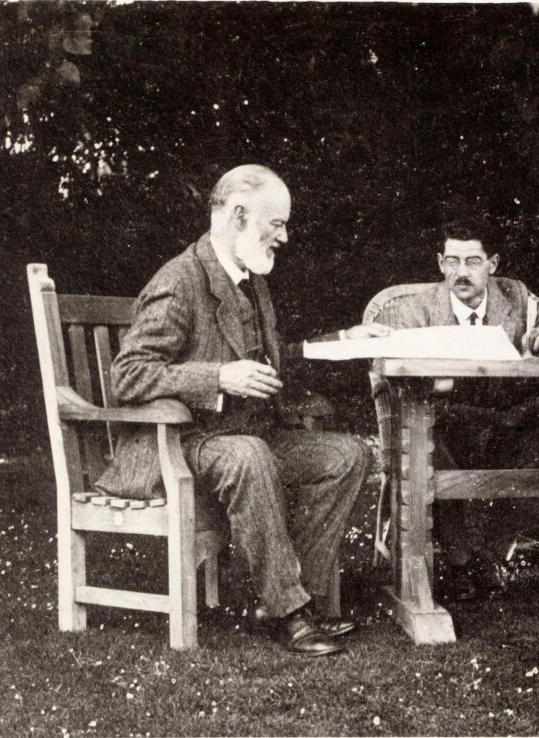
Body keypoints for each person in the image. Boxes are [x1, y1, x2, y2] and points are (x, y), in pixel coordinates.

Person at [94, 164, 391, 656]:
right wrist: (217, 377)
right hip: (183, 442)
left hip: (245, 436)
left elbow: (273, 362)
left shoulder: (250, 279)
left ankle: (302, 600)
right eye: (277, 223)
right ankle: (288, 614)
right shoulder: (180, 280)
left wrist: (342, 339)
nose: (285, 236)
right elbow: (127, 375)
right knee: (249, 455)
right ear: (238, 215)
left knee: (349, 455)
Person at [375, 219, 539, 600]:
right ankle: (460, 560)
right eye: (453, 262)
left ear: (492, 264)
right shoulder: (414, 310)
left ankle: (490, 554)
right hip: (448, 419)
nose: (462, 273)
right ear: (441, 263)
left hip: (505, 423)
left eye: (473, 261)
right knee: (428, 441)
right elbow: (389, 363)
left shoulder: (518, 297)